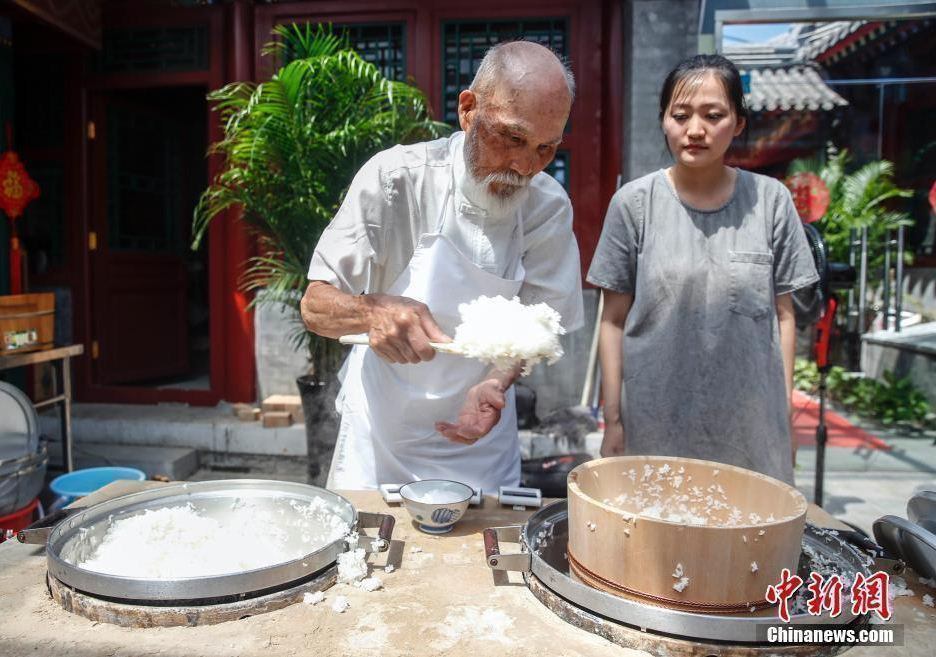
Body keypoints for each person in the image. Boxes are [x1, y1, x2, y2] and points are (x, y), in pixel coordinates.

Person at [301, 41, 584, 491]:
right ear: (468, 110)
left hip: (480, 438)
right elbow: (315, 307)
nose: (524, 166)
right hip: (380, 439)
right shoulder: (397, 179)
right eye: (512, 138)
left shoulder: (546, 206)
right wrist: (372, 312)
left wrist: (496, 380)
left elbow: (541, 321)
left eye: (545, 148)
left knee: (482, 557)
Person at [586, 54, 818, 484]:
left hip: (750, 428)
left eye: (713, 115)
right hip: (654, 424)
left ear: (739, 123)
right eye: (681, 115)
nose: (695, 129)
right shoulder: (634, 205)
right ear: (664, 120)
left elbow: (786, 316)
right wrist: (613, 421)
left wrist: (783, 415)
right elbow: (612, 321)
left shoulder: (771, 202)